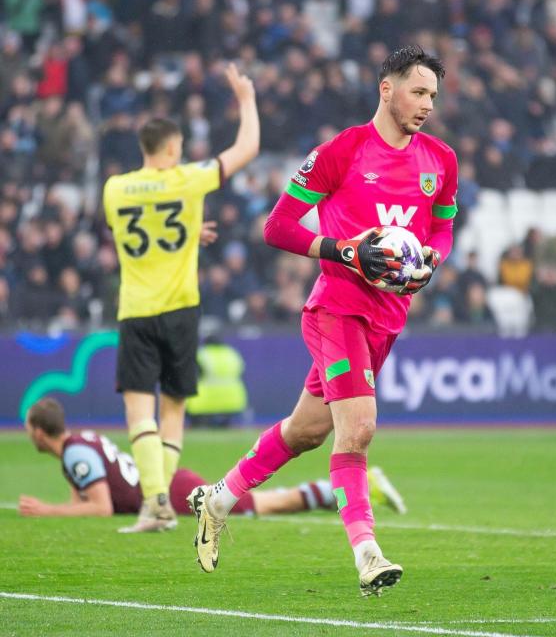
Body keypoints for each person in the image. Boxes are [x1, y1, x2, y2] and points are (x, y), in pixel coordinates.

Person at [187, 46, 457, 597]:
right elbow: (277, 226)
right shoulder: (343, 151)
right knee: (357, 430)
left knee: (305, 431)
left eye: (433, 94)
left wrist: (431, 259)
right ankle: (368, 554)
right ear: (387, 88)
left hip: (387, 319)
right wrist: (343, 252)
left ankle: (217, 499)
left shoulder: (441, 161)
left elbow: (443, 230)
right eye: (418, 91)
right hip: (334, 309)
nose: (428, 103)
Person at [101, 63, 260, 533]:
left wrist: (189, 232)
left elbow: (140, 233)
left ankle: (154, 501)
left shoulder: (115, 189)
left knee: (138, 410)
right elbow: (247, 148)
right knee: (173, 408)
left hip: (136, 310)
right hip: (181, 309)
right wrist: (246, 99)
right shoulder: (188, 179)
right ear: (172, 147)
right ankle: (159, 504)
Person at [18, 398, 406, 519]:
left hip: (174, 493)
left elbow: (100, 507)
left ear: (38, 430)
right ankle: (343, 491)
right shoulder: (80, 442)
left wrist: (45, 510)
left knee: (267, 503)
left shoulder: (75, 453)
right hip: (171, 484)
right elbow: (84, 500)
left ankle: (356, 488)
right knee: (266, 503)